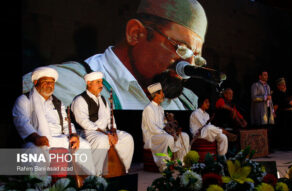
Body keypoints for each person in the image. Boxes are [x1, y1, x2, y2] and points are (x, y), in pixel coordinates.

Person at [22, 0, 208, 110]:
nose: (187, 67)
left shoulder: (184, 103)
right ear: (135, 33)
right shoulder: (59, 87)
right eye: (181, 48)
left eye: (196, 58)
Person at [12, 67, 96, 175]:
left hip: (60, 139)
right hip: (36, 140)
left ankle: (91, 181)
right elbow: (21, 122)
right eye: (46, 82)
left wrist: (73, 135)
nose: (49, 85)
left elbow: (67, 123)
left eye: (52, 83)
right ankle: (39, 187)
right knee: (36, 152)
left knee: (84, 146)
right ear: (36, 82)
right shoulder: (24, 100)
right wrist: (36, 137)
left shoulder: (58, 103)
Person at [71, 72, 134, 176]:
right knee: (102, 140)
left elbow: (110, 117)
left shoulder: (103, 99)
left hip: (104, 131)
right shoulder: (80, 100)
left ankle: (122, 170)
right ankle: (97, 176)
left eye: (101, 82)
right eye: (98, 82)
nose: (101, 85)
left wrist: (113, 131)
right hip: (87, 132)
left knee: (127, 138)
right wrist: (105, 134)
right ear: (89, 83)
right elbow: (83, 121)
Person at [142, 82, 190, 171]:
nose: (164, 95)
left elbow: (164, 124)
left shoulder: (161, 108)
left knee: (184, 135)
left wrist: (173, 130)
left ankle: (180, 162)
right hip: (152, 137)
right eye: (162, 93)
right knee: (169, 138)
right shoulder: (148, 109)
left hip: (162, 134)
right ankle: (165, 165)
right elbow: (152, 128)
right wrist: (168, 133)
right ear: (156, 95)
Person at [250, 69, 275, 153]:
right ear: (260, 76)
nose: (266, 77)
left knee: (269, 130)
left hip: (268, 110)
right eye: (264, 75)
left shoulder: (268, 86)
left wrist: (273, 111)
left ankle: (269, 148)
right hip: (260, 111)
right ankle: (261, 149)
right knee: (261, 129)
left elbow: (270, 99)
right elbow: (254, 97)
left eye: (267, 75)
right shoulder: (255, 85)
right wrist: (264, 98)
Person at [272, 77, 292, 150]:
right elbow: (276, 105)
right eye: (282, 85)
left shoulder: (286, 92)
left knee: (290, 129)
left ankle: (289, 145)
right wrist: (273, 113)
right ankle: (284, 146)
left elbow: (291, 99)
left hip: (290, 113)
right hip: (283, 114)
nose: (284, 86)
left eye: (284, 84)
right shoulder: (277, 94)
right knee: (284, 130)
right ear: (278, 86)